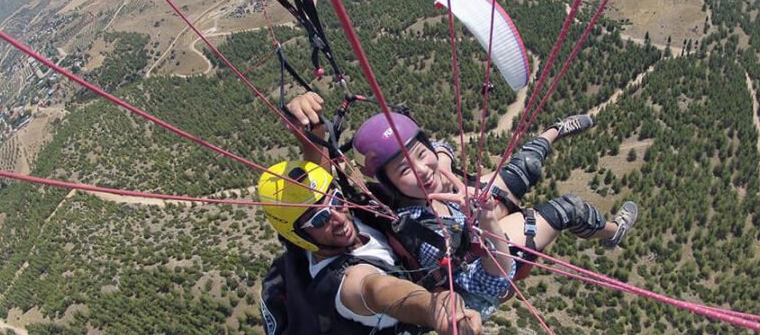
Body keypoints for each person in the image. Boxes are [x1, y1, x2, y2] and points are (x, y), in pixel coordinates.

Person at [351, 111, 638, 318]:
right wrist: (488, 220)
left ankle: (555, 129)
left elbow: (440, 148)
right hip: (481, 253)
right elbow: (492, 282)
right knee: (567, 209)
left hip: (467, 215)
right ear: (390, 183)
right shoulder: (422, 234)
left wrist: (446, 167)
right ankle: (614, 232)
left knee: (525, 166)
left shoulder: (430, 178)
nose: (423, 170)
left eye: (421, 153)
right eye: (405, 169)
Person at [258, 159, 484, 335]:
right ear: (297, 235)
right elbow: (378, 291)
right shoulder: (345, 282)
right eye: (319, 219)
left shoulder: (336, 227)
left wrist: (309, 129)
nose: (338, 218)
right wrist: (431, 307)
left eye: (336, 199)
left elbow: (314, 175)